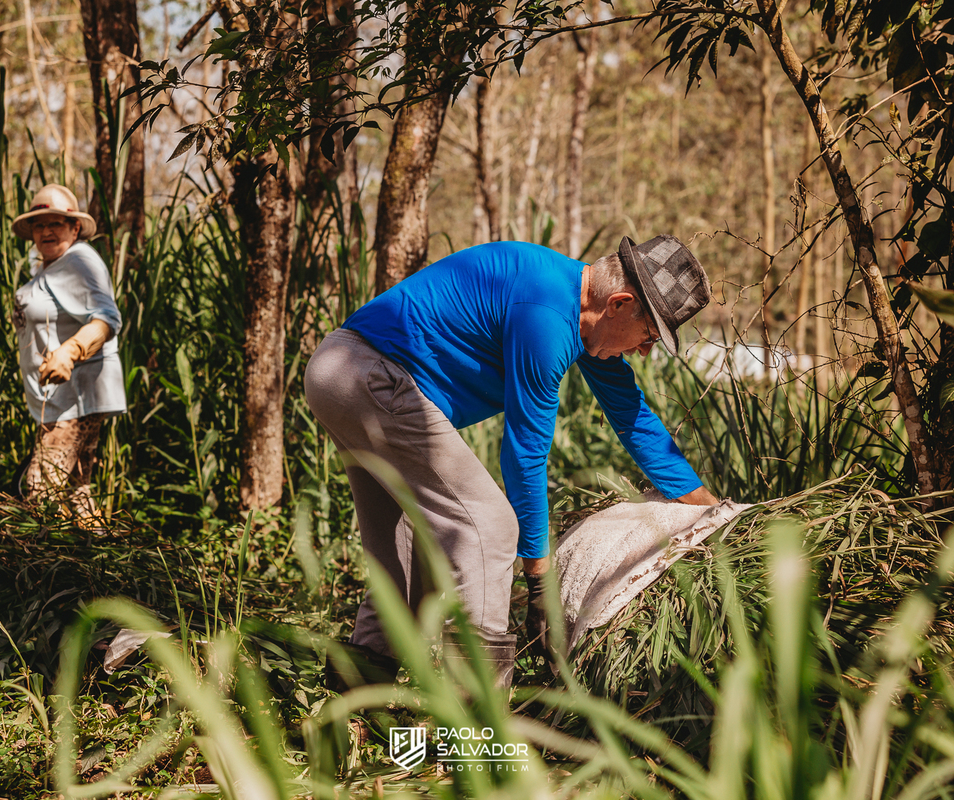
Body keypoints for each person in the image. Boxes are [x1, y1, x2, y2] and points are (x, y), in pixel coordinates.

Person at [305, 235, 718, 687]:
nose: (644, 352)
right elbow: (525, 457)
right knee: (489, 527)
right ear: (619, 303)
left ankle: (349, 709)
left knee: (411, 557)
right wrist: (539, 583)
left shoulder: (579, 314)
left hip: (342, 373)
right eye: (649, 336)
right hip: (371, 376)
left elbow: (632, 418)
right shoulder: (546, 315)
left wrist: (710, 510)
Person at [10, 184, 126, 523]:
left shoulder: (79, 260)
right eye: (39, 224)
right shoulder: (48, 267)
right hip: (57, 401)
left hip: (77, 399)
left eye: (56, 223)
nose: (46, 231)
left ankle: (35, 570)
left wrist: (70, 352)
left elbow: (108, 317)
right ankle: (100, 562)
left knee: (39, 491)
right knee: (78, 493)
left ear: (74, 228)